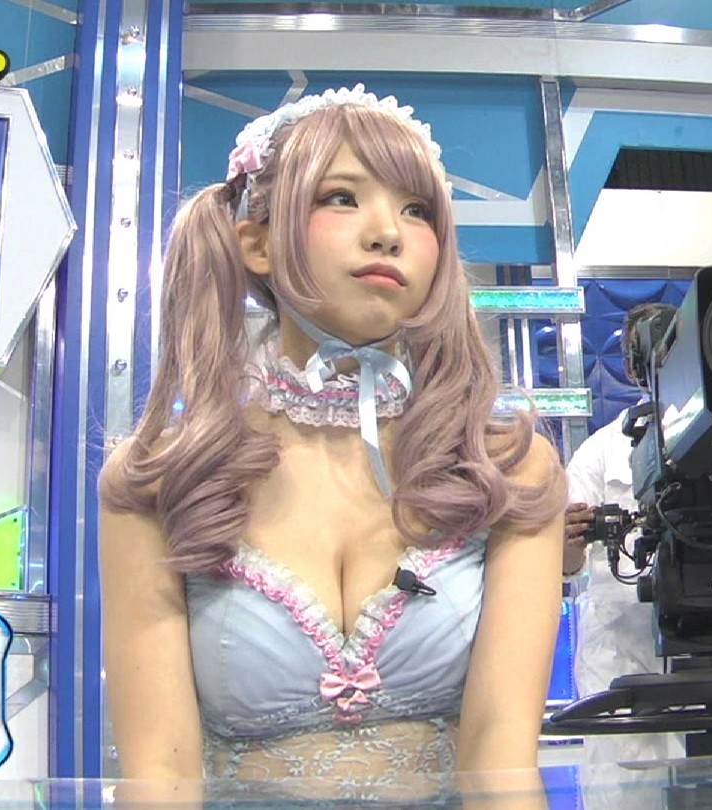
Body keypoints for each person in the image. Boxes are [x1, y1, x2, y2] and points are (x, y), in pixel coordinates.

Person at [98, 85, 567, 800]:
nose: (387, 233)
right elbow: (161, 774)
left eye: (417, 210)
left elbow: (501, 760)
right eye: (342, 198)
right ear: (256, 243)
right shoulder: (164, 478)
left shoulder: (505, 470)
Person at [563, 302, 682, 766]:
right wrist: (567, 540)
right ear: (631, 367)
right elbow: (566, 566)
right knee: (626, 785)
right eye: (647, 351)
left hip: (708, 639)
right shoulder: (599, 452)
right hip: (619, 651)